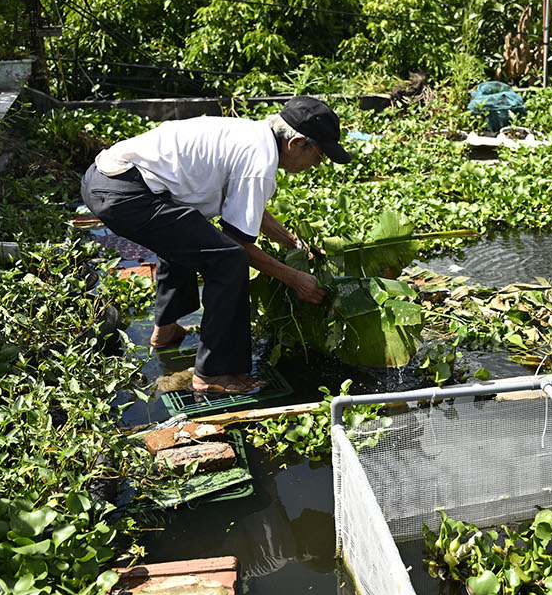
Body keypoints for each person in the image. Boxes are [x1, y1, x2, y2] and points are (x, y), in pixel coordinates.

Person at [79, 96, 350, 394]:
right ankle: (213, 375)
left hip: (104, 179)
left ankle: (165, 330)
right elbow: (238, 245)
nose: (317, 164)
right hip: (125, 193)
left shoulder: (252, 137)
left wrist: (293, 243)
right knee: (228, 259)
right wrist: (294, 278)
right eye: (320, 155)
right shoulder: (259, 161)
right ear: (297, 143)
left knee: (189, 235)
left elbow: (249, 206)